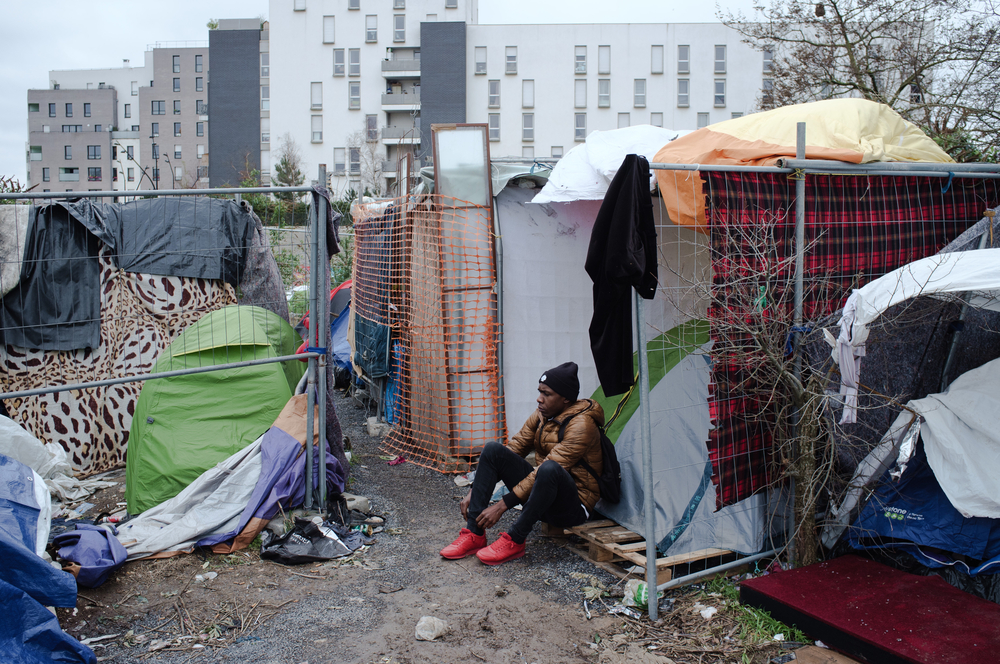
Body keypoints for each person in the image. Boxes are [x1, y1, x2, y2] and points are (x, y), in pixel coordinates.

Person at [440, 361, 605, 566]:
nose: (539, 398)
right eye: (539, 391)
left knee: (550, 468)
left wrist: (501, 506)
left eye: (547, 394)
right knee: (493, 450)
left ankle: (515, 540)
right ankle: (474, 533)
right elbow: (513, 450)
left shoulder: (582, 424)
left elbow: (548, 469)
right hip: (542, 498)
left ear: (565, 399)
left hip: (572, 508)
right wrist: (474, 491)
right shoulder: (542, 415)